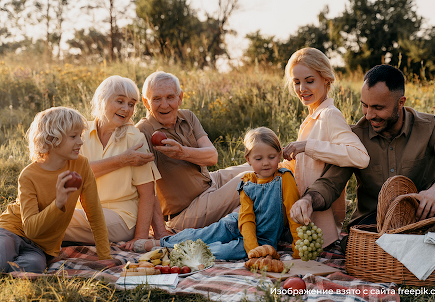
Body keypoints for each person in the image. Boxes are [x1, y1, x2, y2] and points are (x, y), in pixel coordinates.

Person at [290, 64, 435, 288]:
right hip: (376, 224)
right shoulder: (355, 136)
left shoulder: (428, 126)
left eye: (378, 107)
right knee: (357, 244)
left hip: (425, 214)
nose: (369, 115)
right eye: (365, 106)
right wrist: (308, 200)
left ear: (401, 102)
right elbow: (331, 182)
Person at [137, 127, 301, 260]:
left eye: (271, 157)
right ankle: (162, 243)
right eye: (259, 159)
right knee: (205, 234)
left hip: (262, 240)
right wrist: (253, 249)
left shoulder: (284, 178)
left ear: (279, 155)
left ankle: (180, 250)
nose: (266, 163)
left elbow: (292, 213)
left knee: (224, 252)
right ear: (248, 160)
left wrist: (298, 247)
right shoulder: (247, 181)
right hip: (238, 223)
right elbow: (247, 218)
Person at [135, 71, 252, 238]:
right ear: (146, 102)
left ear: (180, 97)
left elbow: (212, 156)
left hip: (210, 182)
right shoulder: (142, 132)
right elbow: (146, 189)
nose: (164, 104)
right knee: (250, 178)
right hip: (186, 211)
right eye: (156, 99)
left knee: (258, 166)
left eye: (170, 97)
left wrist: (182, 153)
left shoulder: (187, 116)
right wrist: (160, 232)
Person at [63, 76, 169, 251]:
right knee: (45, 216)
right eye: (120, 101)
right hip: (82, 210)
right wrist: (121, 160)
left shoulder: (134, 138)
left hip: (122, 218)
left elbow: (148, 194)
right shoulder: (80, 133)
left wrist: (140, 237)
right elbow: (71, 176)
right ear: (102, 100)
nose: (126, 109)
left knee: (50, 220)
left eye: (131, 104)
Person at [0, 107, 111, 273]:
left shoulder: (81, 165)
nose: (80, 142)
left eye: (79, 136)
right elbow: (30, 228)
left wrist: (105, 256)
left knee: (33, 267)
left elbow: (94, 213)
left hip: (40, 246)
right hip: (11, 231)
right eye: (73, 137)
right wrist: (58, 203)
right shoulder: (28, 175)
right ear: (52, 140)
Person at [280, 48, 370, 247]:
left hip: (318, 229)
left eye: (309, 81)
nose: (302, 88)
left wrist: (307, 146)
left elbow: (360, 156)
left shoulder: (329, 115)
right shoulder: (312, 117)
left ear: (326, 80)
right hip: (299, 218)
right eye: (297, 82)